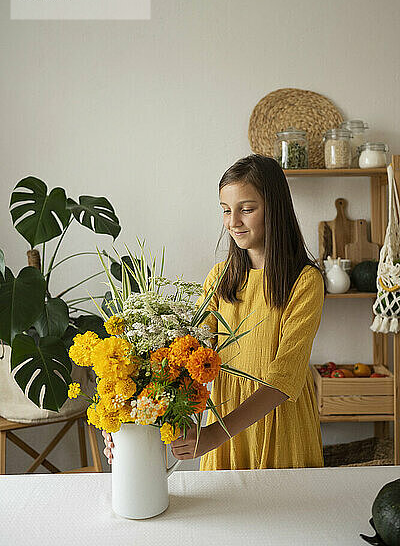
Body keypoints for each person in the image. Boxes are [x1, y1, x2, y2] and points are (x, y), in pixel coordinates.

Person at [103, 154, 325, 470]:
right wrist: (127, 421)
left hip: (279, 423)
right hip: (226, 416)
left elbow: (284, 377)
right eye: (225, 210)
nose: (233, 221)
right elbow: (183, 357)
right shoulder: (220, 278)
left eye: (247, 209)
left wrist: (212, 435)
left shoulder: (304, 281)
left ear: (275, 209)